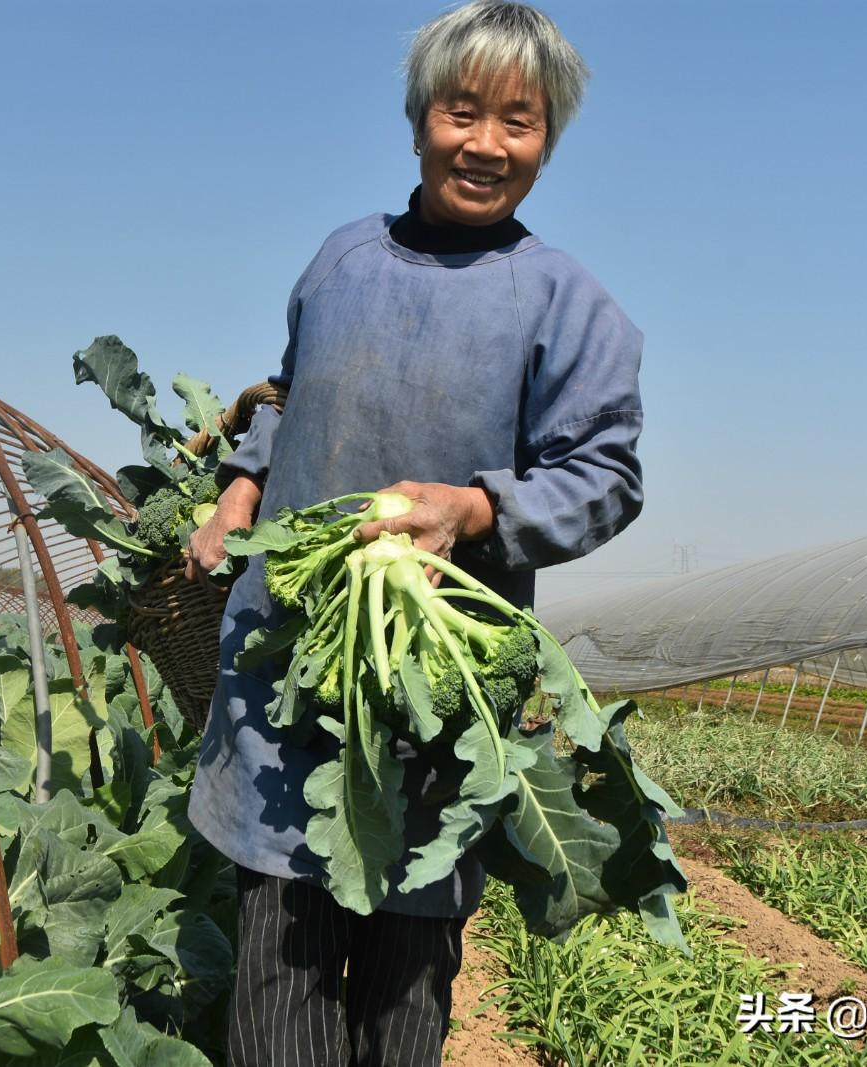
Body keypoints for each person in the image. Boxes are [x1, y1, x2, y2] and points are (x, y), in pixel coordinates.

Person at [183, 3, 644, 1064]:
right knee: (276, 981)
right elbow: (290, 393)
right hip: (290, 682)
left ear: (547, 141)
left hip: (434, 702)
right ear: (418, 120)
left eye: (518, 122)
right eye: (462, 111)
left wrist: (474, 507)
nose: (485, 144)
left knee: (403, 996)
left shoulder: (567, 304)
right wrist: (240, 491)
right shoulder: (339, 260)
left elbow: (606, 478)